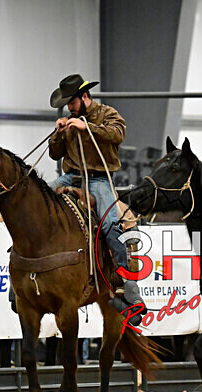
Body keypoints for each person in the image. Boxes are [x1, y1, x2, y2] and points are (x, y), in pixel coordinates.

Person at [47, 74, 145, 323]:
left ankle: (129, 290)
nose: (69, 107)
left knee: (111, 225)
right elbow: (54, 154)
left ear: (84, 96)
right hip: (71, 177)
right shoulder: (69, 120)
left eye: (72, 102)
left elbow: (117, 134)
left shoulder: (108, 114)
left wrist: (87, 127)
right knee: (41, 198)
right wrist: (58, 133)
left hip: (99, 179)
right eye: (67, 104)